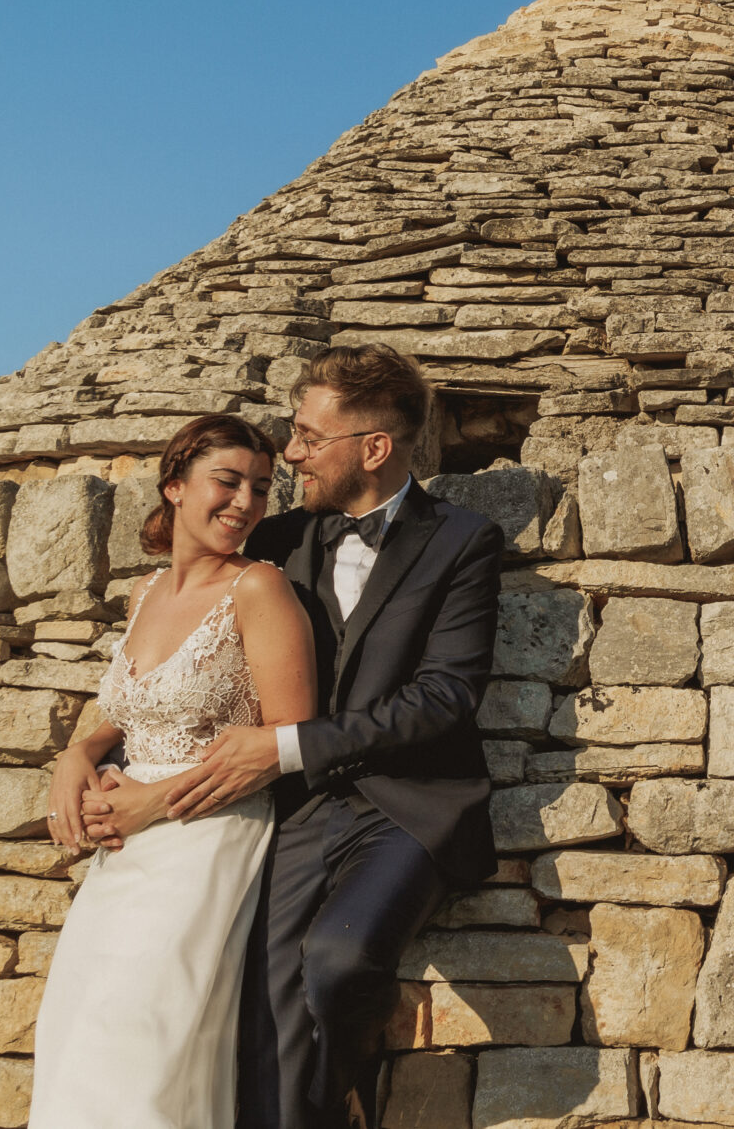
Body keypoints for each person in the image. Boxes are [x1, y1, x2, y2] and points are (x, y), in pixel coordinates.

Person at [159, 344, 505, 1129]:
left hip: (406, 810)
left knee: (338, 961)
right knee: (259, 993)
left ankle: (338, 1101)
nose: (292, 452)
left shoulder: (464, 542)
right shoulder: (274, 542)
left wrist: (286, 747)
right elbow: (183, 645)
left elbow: (445, 696)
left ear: (373, 448)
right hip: (298, 811)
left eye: (310, 437)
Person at [32, 414, 316, 1128]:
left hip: (205, 836)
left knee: (145, 1044)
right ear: (175, 485)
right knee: (79, 1032)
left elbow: (288, 737)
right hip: (123, 854)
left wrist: (151, 802)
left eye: (260, 487)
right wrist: (77, 753)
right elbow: (128, 709)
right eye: (228, 481)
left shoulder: (260, 589)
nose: (246, 502)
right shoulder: (146, 593)